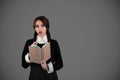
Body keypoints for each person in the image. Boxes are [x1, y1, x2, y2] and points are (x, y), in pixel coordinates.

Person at [22, 16, 63, 80]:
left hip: (51, 78)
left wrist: (48, 67)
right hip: (34, 77)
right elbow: (24, 65)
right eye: (37, 26)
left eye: (42, 26)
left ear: (47, 27)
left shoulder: (53, 43)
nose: (39, 29)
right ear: (34, 28)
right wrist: (30, 54)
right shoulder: (29, 43)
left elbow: (60, 64)